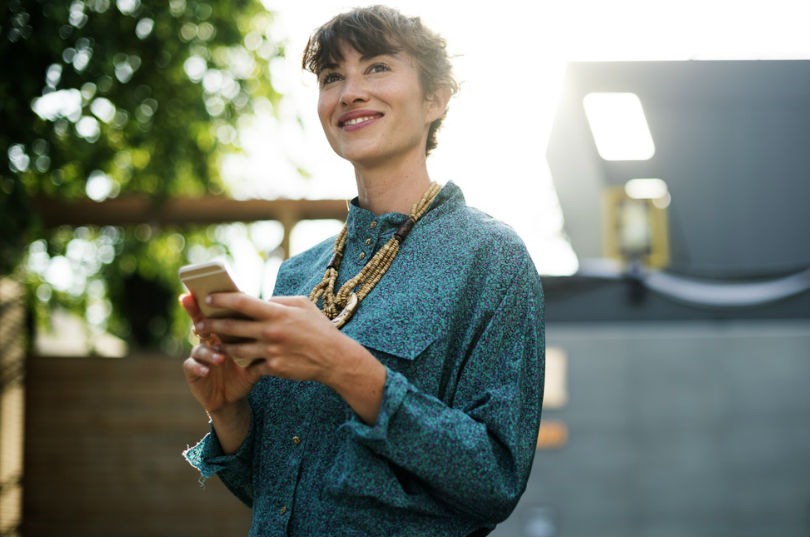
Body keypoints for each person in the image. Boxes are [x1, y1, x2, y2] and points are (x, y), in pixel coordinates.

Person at [181, 5, 545, 536]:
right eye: (332, 77)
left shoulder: (492, 260)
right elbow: (270, 493)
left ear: (435, 99)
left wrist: (344, 366)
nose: (350, 91)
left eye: (376, 67)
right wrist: (229, 413)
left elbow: (494, 481)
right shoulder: (297, 276)